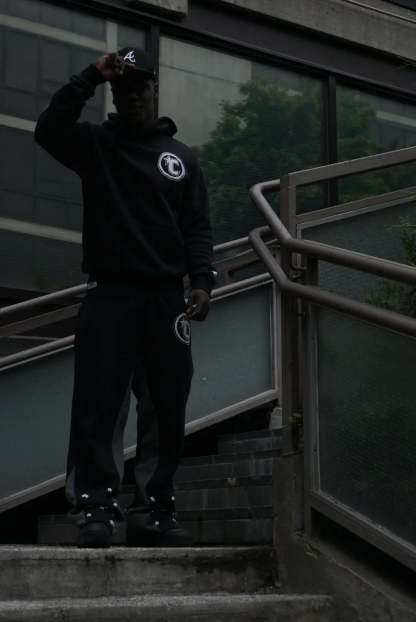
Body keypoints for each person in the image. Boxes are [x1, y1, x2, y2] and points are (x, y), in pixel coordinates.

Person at [34, 47, 216, 548]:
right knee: (99, 405)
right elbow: (48, 130)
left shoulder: (181, 158)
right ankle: (96, 510)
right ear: (114, 94)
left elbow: (197, 227)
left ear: (155, 90)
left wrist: (202, 281)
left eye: (141, 87)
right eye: (123, 88)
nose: (133, 96)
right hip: (109, 294)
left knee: (166, 407)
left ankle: (154, 511)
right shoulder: (96, 144)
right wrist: (90, 76)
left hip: (165, 299)